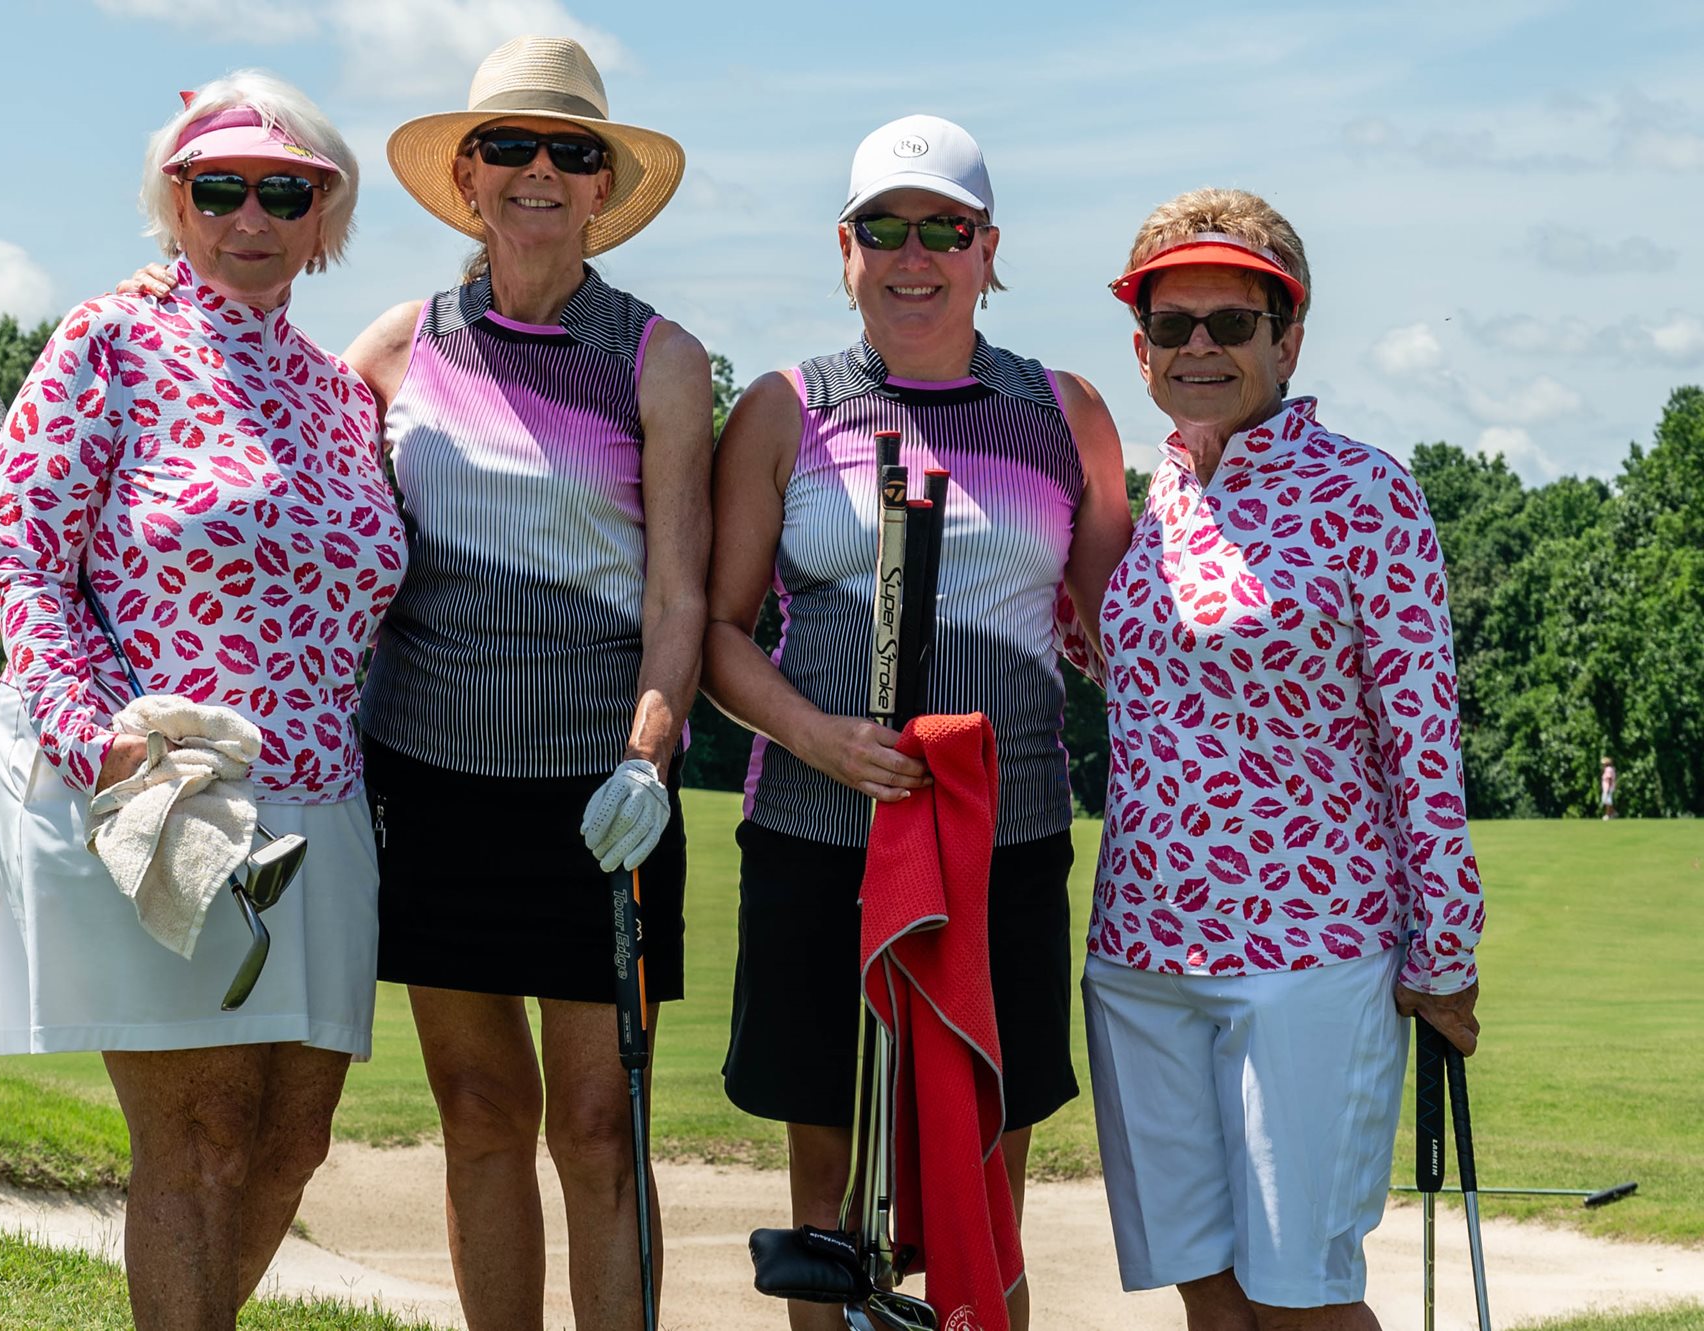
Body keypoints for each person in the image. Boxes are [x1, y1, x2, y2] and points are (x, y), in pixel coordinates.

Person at [0, 72, 406, 1329]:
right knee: (205, 1130)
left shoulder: (339, 392)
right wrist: (98, 741)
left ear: (326, 217)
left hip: (323, 804)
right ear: (175, 201)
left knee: (292, 1137)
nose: (250, 215)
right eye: (218, 187)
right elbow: (28, 565)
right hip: (167, 792)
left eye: (285, 192)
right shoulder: (107, 342)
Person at [703, 115, 1132, 1331]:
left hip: (1003, 845)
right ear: (843, 249)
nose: (913, 254)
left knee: (984, 1177)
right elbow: (716, 632)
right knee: (828, 1192)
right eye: (882, 228)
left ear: (987, 250)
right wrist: (817, 735)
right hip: (819, 837)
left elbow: (1123, 631)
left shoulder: (1065, 410)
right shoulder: (783, 408)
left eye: (944, 229)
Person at [350, 35, 710, 1331]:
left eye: (569, 151)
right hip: (430, 784)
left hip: (601, 793)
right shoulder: (395, 348)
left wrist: (648, 757)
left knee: (601, 1123)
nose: (538, 170)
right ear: (468, 175)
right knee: (480, 1110)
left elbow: (677, 596)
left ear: (604, 183)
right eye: (508, 146)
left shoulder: (658, 357)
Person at [1079, 187, 1485, 1331]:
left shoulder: (1367, 492)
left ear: (1287, 338)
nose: (1197, 346)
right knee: (1208, 1298)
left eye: (1231, 322)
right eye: (1171, 324)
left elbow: (1420, 739)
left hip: (1308, 955)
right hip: (1139, 951)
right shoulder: (1151, 501)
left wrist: (1444, 946)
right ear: (1140, 348)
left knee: (1300, 1300)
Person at [1600, 755, 1618, 819]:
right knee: (1606, 801)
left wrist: (1608, 789)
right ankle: (1613, 813)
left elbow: (1609, 779)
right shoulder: (1608, 769)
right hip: (1607, 788)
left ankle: (1608, 814)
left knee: (1608, 801)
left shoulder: (1608, 769)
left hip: (1608, 788)